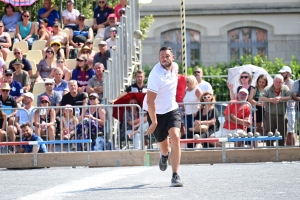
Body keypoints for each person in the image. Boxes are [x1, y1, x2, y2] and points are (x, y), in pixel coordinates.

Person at [143, 47, 183, 187]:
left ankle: (175, 175)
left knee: (176, 137)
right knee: (164, 146)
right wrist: (154, 121)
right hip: (156, 112)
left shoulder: (175, 67)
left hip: (172, 109)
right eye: (161, 56)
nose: (164, 58)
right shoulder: (155, 75)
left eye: (167, 56)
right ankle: (165, 155)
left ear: (173, 57)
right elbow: (150, 101)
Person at [259, 74, 292, 146]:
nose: (278, 83)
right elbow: (261, 97)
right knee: (269, 132)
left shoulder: (285, 88)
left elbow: (290, 96)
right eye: (276, 81)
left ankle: (281, 148)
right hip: (269, 114)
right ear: (273, 81)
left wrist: (280, 98)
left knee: (282, 133)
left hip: (281, 114)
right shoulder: (268, 88)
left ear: (283, 83)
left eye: (280, 82)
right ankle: (270, 149)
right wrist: (270, 100)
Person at [182, 75, 202, 148]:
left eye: (188, 82)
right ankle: (190, 147)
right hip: (187, 114)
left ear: (192, 82)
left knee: (195, 132)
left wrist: (197, 112)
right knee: (188, 132)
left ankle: (196, 146)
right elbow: (184, 101)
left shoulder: (197, 90)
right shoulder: (186, 90)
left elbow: (202, 101)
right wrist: (183, 110)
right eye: (186, 82)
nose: (186, 83)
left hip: (194, 114)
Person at [278, 66, 296, 146]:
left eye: (283, 73)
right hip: (282, 108)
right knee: (285, 130)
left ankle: (291, 148)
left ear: (288, 73)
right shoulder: (283, 83)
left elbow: (291, 96)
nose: (281, 74)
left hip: (290, 108)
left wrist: (280, 98)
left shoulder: (292, 83)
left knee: (290, 130)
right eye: (281, 73)